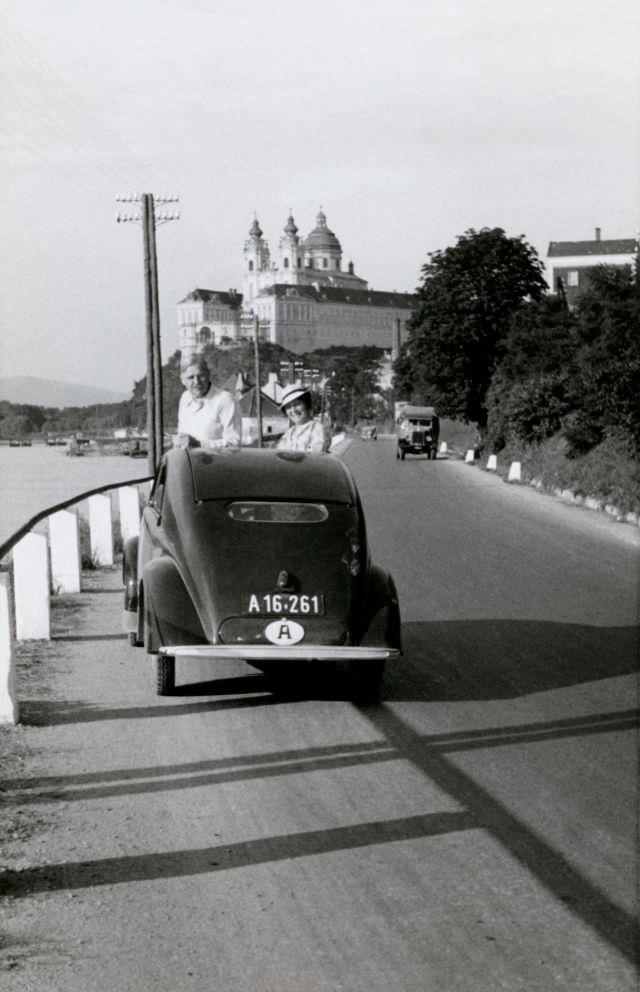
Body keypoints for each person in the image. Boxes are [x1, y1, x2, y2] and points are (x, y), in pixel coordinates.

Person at [174, 357, 241, 449]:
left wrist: (199, 444)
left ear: (208, 375)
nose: (197, 382)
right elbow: (181, 437)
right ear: (182, 380)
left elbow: (234, 444)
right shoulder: (184, 398)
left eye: (201, 376)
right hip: (188, 462)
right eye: (191, 377)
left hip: (216, 462)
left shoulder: (225, 400)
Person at [276, 384, 331, 453]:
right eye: (288, 407)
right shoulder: (288, 434)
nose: (293, 410)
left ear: (306, 405)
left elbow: (315, 458)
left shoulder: (318, 429)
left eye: (297, 404)